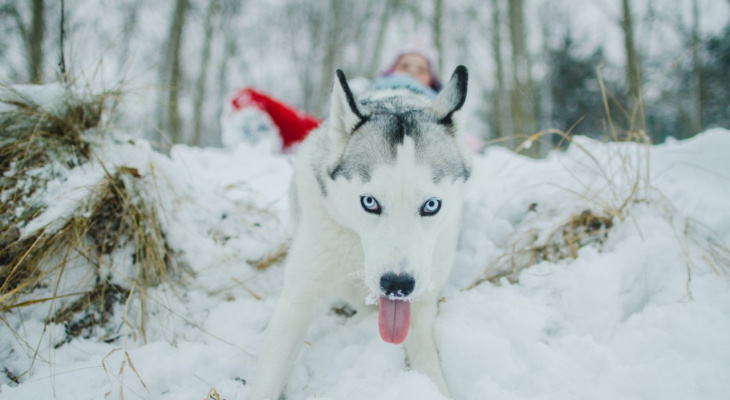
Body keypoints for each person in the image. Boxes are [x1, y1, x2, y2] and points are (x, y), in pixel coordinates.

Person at [222, 48, 480, 153]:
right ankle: (254, 150)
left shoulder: (436, 108)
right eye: (405, 65)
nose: (412, 71)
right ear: (390, 71)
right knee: (247, 97)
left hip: (377, 147)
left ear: (431, 82)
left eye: (420, 69)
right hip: (332, 133)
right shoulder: (363, 86)